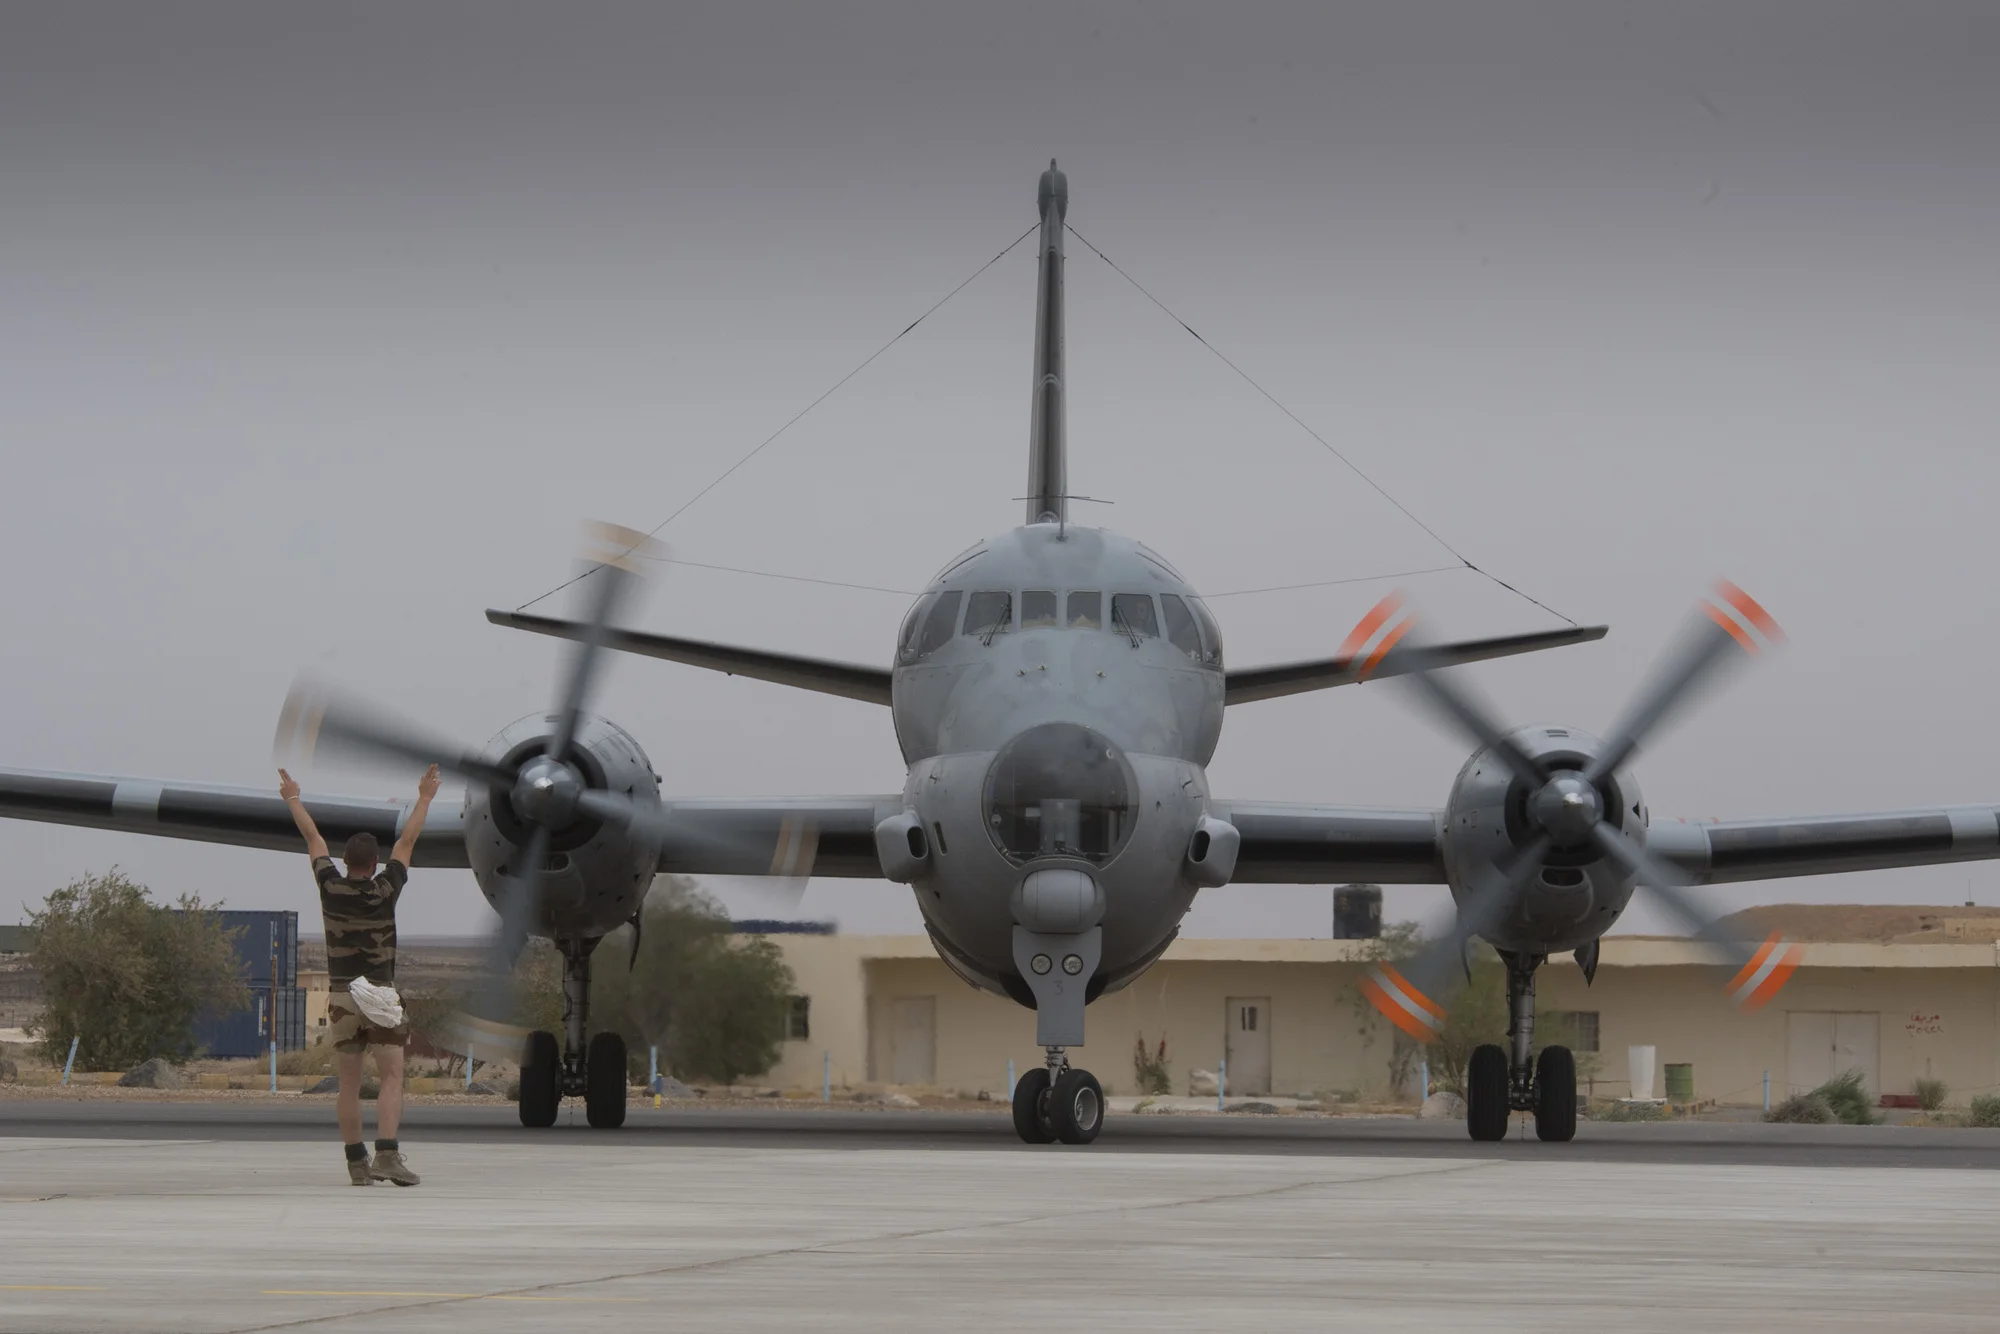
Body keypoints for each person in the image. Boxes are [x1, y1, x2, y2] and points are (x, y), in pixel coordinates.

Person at [280, 763, 441, 1186]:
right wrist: (424, 797)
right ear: (373, 863)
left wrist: (293, 797)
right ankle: (387, 1155)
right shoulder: (385, 887)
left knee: (348, 1084)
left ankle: (356, 1163)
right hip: (381, 996)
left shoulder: (329, 885)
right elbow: (407, 840)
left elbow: (313, 838)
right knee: (391, 1076)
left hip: (341, 996)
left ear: (346, 861)